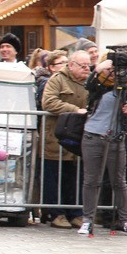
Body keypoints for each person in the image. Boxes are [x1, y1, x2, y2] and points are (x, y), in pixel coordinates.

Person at [77, 58, 127, 237]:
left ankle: (126, 221)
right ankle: (87, 220)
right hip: (92, 136)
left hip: (115, 139)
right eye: (110, 69)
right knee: (91, 180)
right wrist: (98, 69)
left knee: (119, 182)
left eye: (116, 69)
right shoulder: (98, 86)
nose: (113, 73)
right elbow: (89, 84)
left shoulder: (125, 89)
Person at [41, 50, 90, 229]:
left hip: (79, 138)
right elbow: (48, 102)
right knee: (55, 177)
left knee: (75, 177)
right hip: (56, 137)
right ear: (71, 65)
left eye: (88, 65)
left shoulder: (89, 83)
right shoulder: (57, 80)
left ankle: (76, 213)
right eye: (83, 66)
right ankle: (57, 213)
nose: (87, 69)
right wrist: (74, 110)